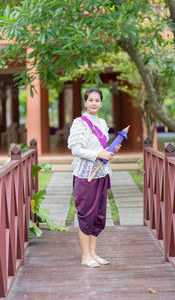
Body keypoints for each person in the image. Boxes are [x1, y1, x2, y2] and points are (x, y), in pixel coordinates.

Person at [68, 87, 121, 268]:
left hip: (101, 173)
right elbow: (76, 150)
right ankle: (85, 256)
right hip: (85, 175)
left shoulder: (102, 123)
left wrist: (110, 151)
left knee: (99, 215)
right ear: (85, 102)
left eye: (97, 100)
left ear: (101, 102)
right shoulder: (79, 123)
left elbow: (101, 148)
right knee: (86, 214)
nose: (94, 103)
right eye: (90, 100)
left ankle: (93, 253)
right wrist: (98, 154)